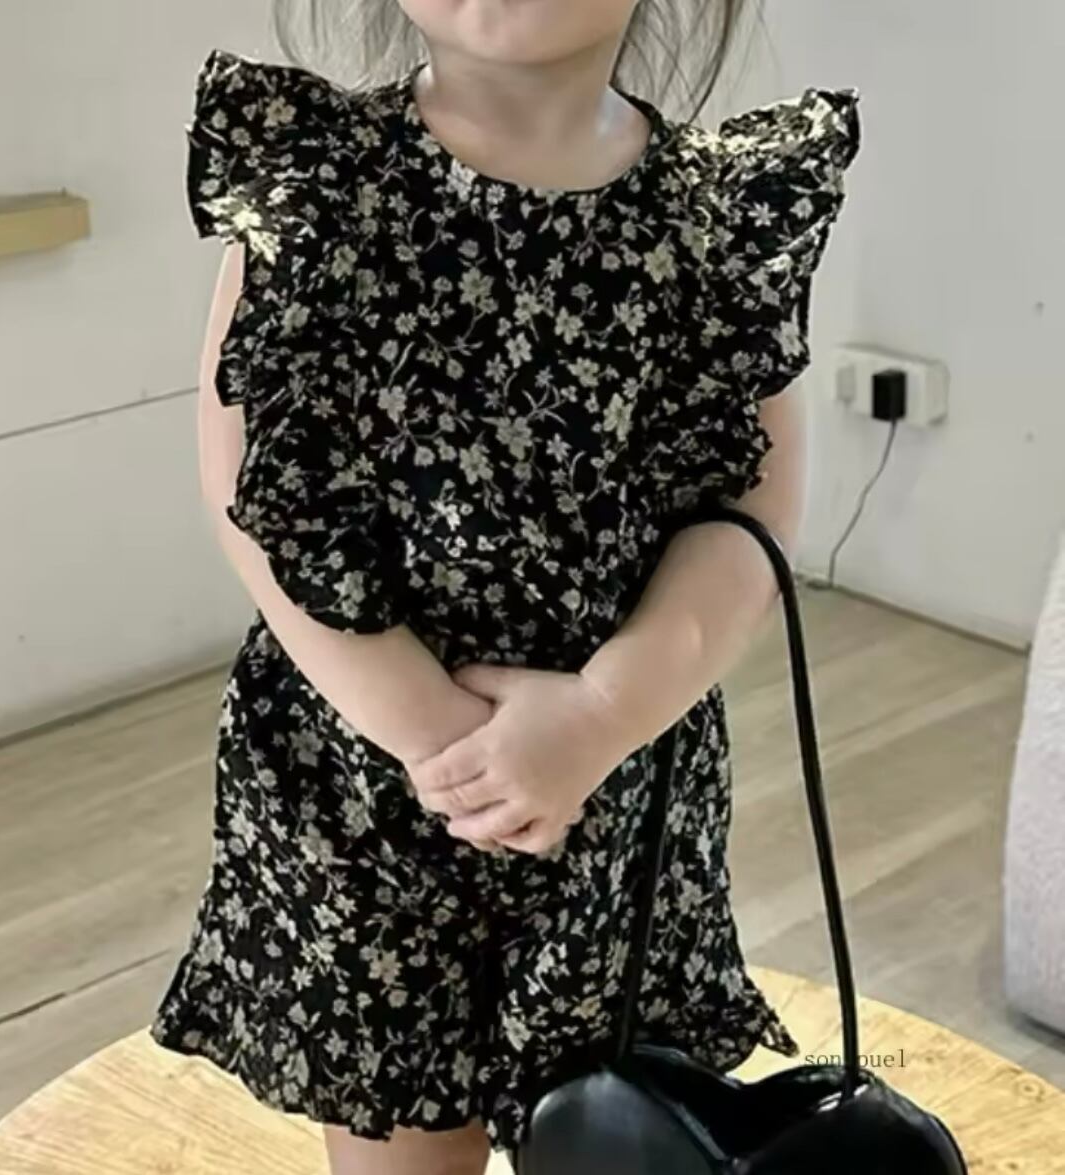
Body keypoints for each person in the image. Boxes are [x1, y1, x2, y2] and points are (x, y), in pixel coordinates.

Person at [149, 2, 860, 1172]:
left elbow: (750, 517)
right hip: (369, 781)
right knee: (398, 1143)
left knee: (611, 1133)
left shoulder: (721, 219)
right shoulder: (313, 183)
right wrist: (437, 740)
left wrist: (599, 716)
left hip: (616, 791)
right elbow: (257, 490)